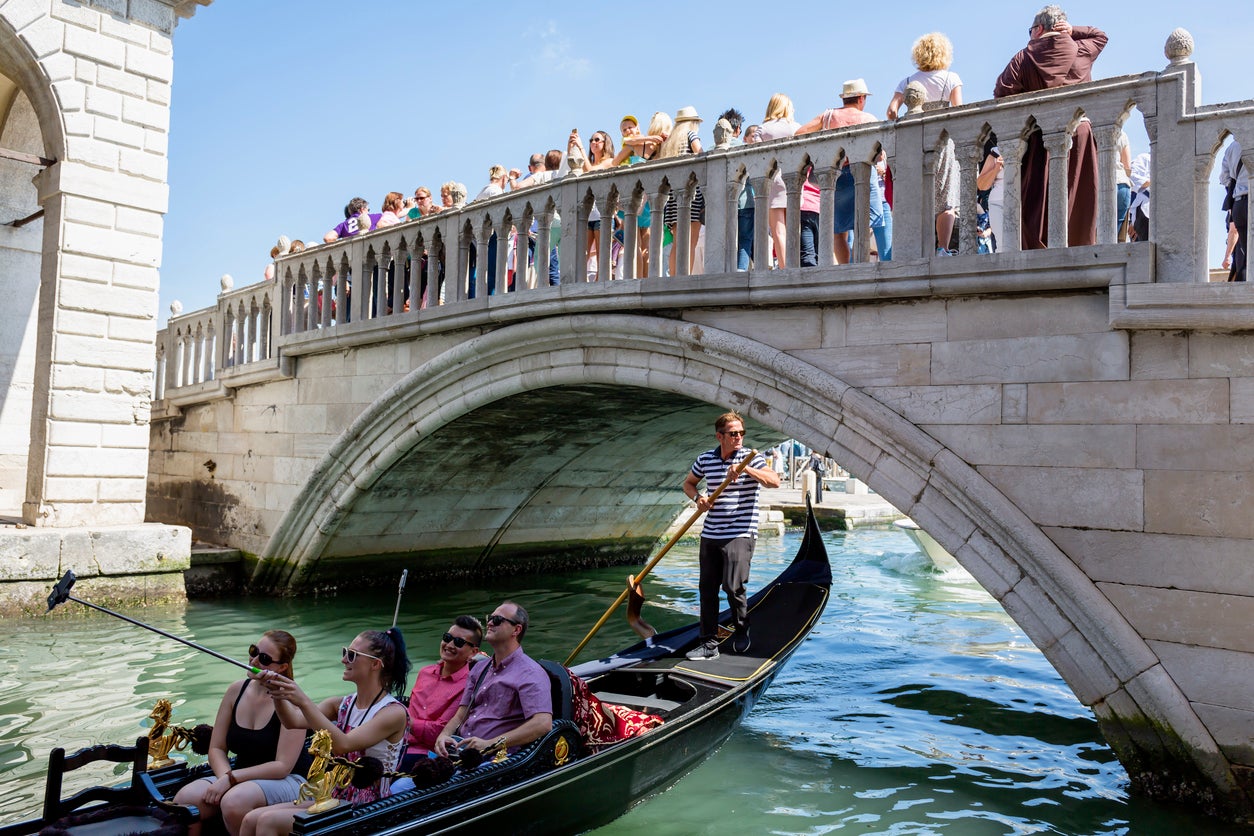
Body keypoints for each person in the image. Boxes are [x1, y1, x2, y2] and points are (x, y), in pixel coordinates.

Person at [241, 628, 411, 836]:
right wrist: (276, 690)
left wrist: (303, 701)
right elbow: (293, 721)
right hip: (333, 796)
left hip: (367, 806)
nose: (343, 660)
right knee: (251, 819)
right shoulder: (343, 704)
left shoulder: (393, 713)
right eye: (344, 652)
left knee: (268, 821)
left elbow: (343, 744)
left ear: (375, 664)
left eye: (351, 655)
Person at [174, 631, 309, 836]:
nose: (253, 660)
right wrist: (224, 779)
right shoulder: (235, 690)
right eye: (253, 651)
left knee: (234, 801)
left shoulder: (292, 701)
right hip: (240, 775)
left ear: (281, 667)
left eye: (263, 659)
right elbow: (217, 748)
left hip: (290, 780)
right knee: (185, 799)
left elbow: (282, 766)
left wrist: (231, 780)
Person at [994, 6, 1107, 250]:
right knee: (1079, 200)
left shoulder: (1023, 57)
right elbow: (1100, 36)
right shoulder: (1081, 49)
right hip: (1081, 135)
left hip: (1040, 136)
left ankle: (1040, 254)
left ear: (1039, 29)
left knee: (1038, 201)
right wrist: (1074, 31)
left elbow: (1001, 92)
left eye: (1030, 30)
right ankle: (1080, 253)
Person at [682, 411, 781, 660]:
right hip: (711, 532)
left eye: (741, 433)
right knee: (707, 589)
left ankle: (741, 630)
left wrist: (746, 470)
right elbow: (688, 483)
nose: (738, 437)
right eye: (733, 433)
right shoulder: (705, 459)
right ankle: (708, 643)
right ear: (720, 436)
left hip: (741, 532)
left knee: (733, 586)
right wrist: (699, 498)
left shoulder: (751, 459)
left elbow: (774, 481)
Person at [435, 601, 553, 759]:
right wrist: (443, 736)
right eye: (490, 618)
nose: (489, 623)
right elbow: (461, 715)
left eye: (497, 620)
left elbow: (542, 723)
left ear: (516, 630)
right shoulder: (479, 668)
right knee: (403, 784)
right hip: (461, 753)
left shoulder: (530, 673)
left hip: (497, 761)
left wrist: (490, 744)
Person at [886, 33, 963, 255]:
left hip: (914, 142)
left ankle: (918, 247)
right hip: (944, 142)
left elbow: (891, 111)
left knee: (918, 196)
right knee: (946, 198)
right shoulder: (951, 79)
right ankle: (942, 248)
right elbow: (959, 111)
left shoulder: (908, 81)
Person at [796, 79, 882, 265]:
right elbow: (880, 156)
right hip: (864, 174)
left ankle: (845, 268)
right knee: (864, 226)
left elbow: (799, 133)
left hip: (838, 176)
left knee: (838, 233)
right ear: (861, 98)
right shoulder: (868, 119)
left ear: (844, 98)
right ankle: (861, 267)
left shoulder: (827, 116)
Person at [397, 616, 483, 771]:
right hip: (398, 742)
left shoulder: (467, 685)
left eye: (458, 642)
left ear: (473, 652)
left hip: (426, 754)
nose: (449, 645)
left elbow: (439, 732)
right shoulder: (425, 672)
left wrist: (404, 722)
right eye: (447, 638)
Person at [658, 106, 705, 276]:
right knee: (690, 242)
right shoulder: (691, 135)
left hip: (672, 198)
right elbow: (701, 154)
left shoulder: (670, 141)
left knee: (678, 243)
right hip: (691, 195)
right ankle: (686, 277)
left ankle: (674, 277)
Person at [756, 93, 801, 268]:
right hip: (794, 179)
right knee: (793, 230)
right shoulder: (796, 127)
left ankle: (785, 267)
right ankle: (794, 266)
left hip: (773, 181)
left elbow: (756, 157)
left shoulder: (763, 129)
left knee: (778, 231)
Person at [1221, 140, 1247, 282]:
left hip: (1238, 204)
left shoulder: (1231, 147)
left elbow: (1224, 177)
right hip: (1249, 201)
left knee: (1246, 258)